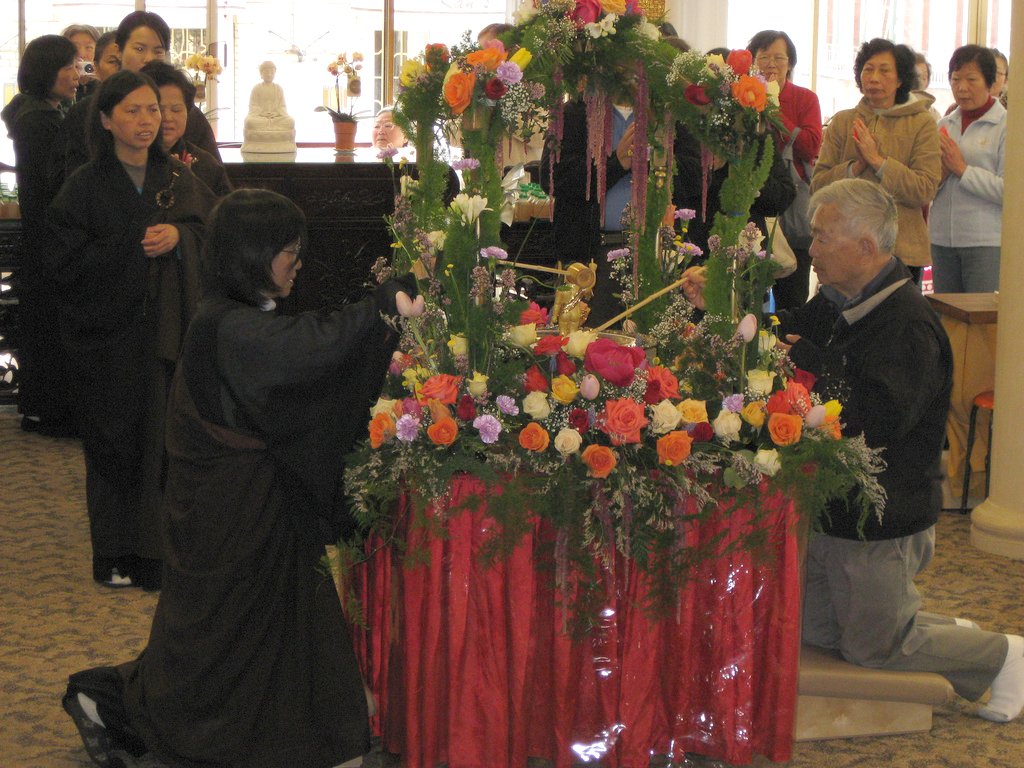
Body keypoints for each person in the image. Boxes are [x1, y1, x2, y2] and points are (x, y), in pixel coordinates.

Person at [62, 188, 424, 768]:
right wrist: (381, 306)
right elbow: (309, 349)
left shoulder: (235, 314)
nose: (297, 263)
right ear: (253, 255)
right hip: (228, 515)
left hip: (252, 505)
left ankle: (289, 732)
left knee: (260, 634)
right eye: (289, 251)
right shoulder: (226, 325)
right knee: (217, 642)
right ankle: (116, 705)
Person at [682, 178, 1024, 723]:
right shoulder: (841, 297)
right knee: (820, 633)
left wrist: (814, 364)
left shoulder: (907, 324)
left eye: (822, 237)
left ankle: (1004, 656)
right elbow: (783, 331)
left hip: (882, 514)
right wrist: (720, 308)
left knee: (874, 649)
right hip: (832, 507)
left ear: (866, 247)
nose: (811, 248)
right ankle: (932, 628)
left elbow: (878, 421)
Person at [47, 70, 218, 590]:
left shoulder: (177, 177)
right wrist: (131, 244)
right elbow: (63, 262)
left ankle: (157, 554)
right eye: (133, 111)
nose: (148, 121)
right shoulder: (84, 185)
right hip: (107, 338)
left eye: (154, 110)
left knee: (164, 445)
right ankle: (114, 552)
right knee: (114, 444)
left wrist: (180, 238)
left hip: (166, 336)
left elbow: (211, 232)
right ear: (105, 120)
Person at [1, 35, 80, 437]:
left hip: (42, 235)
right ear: (47, 71)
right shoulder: (39, 121)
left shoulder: (38, 112)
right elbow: (56, 183)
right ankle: (49, 411)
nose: (77, 74)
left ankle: (41, 408)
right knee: (49, 326)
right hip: (48, 234)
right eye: (69, 67)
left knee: (45, 323)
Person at [812, 38, 940, 284]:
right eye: (868, 69)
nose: (874, 77)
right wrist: (855, 167)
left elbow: (924, 189)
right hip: (842, 247)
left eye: (884, 70)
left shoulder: (922, 123)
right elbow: (817, 187)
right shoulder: (843, 122)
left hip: (901, 249)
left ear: (900, 79)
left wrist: (879, 162)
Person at [62, 11, 222, 175]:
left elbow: (213, 174)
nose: (148, 58)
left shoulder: (184, 114)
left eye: (158, 51)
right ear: (119, 51)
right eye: (139, 49)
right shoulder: (86, 112)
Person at [747, 29, 822, 308]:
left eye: (779, 58)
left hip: (791, 207)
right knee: (750, 296)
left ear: (790, 63)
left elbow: (811, 146)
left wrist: (773, 110)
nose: (771, 64)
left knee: (792, 299)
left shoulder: (805, 99)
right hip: (755, 208)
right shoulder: (742, 98)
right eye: (764, 57)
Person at [929, 45, 1005, 293]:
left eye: (971, 79)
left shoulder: (1007, 126)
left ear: (990, 82)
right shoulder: (944, 124)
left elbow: (1010, 190)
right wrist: (940, 175)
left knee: (979, 314)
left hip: (985, 241)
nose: (961, 87)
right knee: (945, 312)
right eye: (955, 79)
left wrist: (962, 169)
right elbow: (929, 184)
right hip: (941, 239)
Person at [142, 61, 232, 197]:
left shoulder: (205, 164)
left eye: (176, 110)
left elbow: (226, 207)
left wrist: (189, 184)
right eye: (158, 109)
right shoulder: (127, 161)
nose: (167, 118)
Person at [62, 24, 99, 100]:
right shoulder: (59, 84)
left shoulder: (104, 82)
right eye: (75, 47)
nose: (81, 54)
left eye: (89, 47)